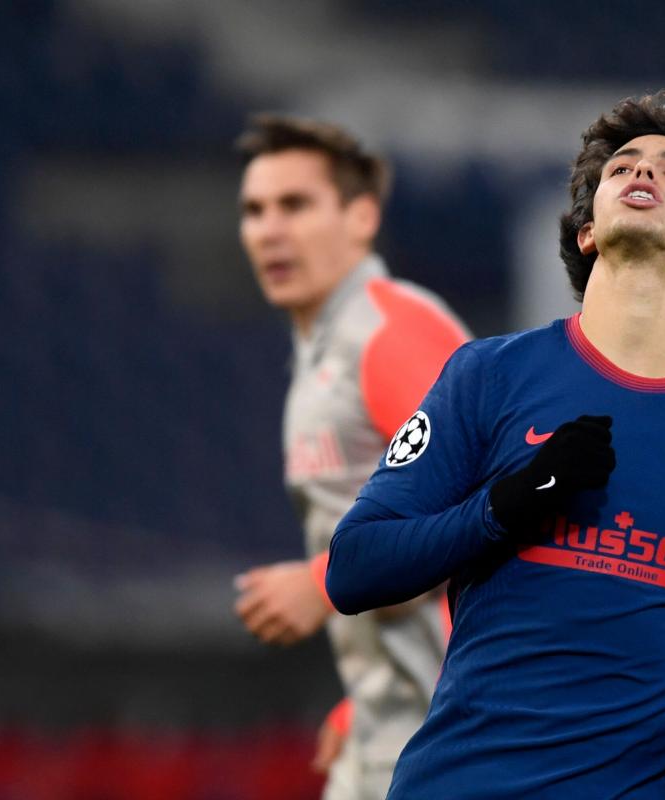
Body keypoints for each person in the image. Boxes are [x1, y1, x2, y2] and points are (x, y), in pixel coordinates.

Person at [327, 90, 665, 799]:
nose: (643, 172)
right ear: (588, 231)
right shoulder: (488, 376)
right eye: (623, 166)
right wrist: (508, 505)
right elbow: (353, 568)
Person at [231, 113, 469, 800]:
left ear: (361, 216)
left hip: (456, 732)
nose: (269, 230)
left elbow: (486, 507)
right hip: (396, 719)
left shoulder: (390, 333)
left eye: (295, 205)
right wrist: (368, 700)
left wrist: (323, 582)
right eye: (254, 210)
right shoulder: (324, 350)